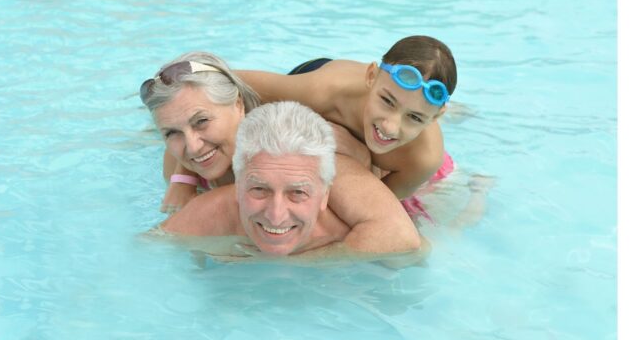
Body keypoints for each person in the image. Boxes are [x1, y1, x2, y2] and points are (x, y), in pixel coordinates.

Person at [153, 101, 429, 263]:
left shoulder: (357, 233)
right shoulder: (208, 215)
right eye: (259, 189)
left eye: (297, 193)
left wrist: (301, 262)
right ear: (236, 188)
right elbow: (145, 250)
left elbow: (411, 246)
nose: (276, 216)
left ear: (325, 195)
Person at [235, 35, 457, 206]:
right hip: (321, 84)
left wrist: (362, 159)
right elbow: (231, 80)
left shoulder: (423, 160)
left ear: (436, 117)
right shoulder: (323, 91)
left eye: (415, 117)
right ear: (371, 77)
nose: (390, 126)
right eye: (387, 101)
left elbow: (375, 206)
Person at [139, 51, 261, 213]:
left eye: (201, 121)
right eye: (172, 132)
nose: (193, 148)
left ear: (238, 104)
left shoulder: (279, 154)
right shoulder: (175, 164)